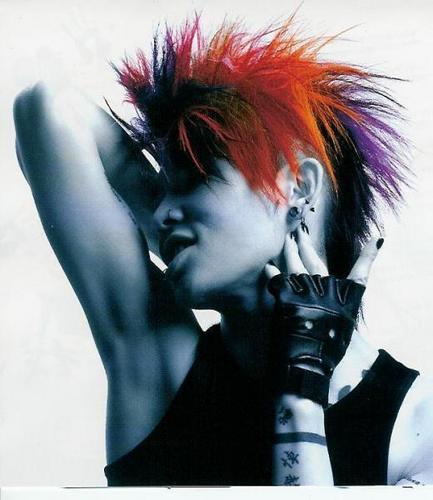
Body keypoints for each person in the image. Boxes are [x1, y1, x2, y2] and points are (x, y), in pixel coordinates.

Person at [13, 15, 433, 486]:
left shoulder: (420, 425)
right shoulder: (159, 365)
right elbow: (49, 109)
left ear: (298, 186)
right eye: (164, 190)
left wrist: (301, 388)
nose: (162, 210)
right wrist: (185, 227)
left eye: (197, 175)